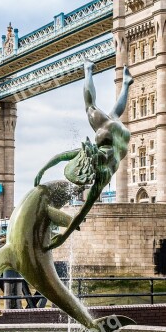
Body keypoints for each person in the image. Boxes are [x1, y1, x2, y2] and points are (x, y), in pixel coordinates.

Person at [33, 59, 133, 250]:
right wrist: (43, 169)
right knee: (91, 107)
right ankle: (88, 69)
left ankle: (126, 83)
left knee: (112, 113)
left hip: (122, 136)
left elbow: (82, 212)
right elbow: (64, 156)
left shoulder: (103, 174)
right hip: (110, 133)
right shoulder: (98, 163)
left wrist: (63, 237)